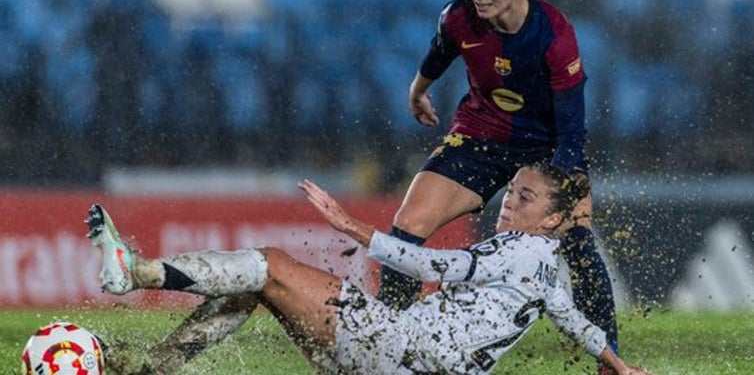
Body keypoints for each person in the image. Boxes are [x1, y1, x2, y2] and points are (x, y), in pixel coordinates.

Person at [88, 164, 651, 375]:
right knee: (264, 287)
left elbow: (435, 262)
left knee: (272, 265)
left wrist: (352, 226)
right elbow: (576, 323)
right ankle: (157, 368)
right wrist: (621, 368)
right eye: (510, 195)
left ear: (552, 217)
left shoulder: (516, 250)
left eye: (523, 199)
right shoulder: (550, 268)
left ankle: (137, 273)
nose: (507, 205)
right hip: (410, 360)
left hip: (395, 348)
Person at [377, 0, 620, 368]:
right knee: (408, 225)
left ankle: (611, 362)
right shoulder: (457, 17)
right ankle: (384, 345)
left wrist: (560, 192)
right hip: (479, 136)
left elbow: (572, 132)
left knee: (579, 244)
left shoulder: (554, 35)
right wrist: (417, 91)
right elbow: (439, 53)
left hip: (547, 148)